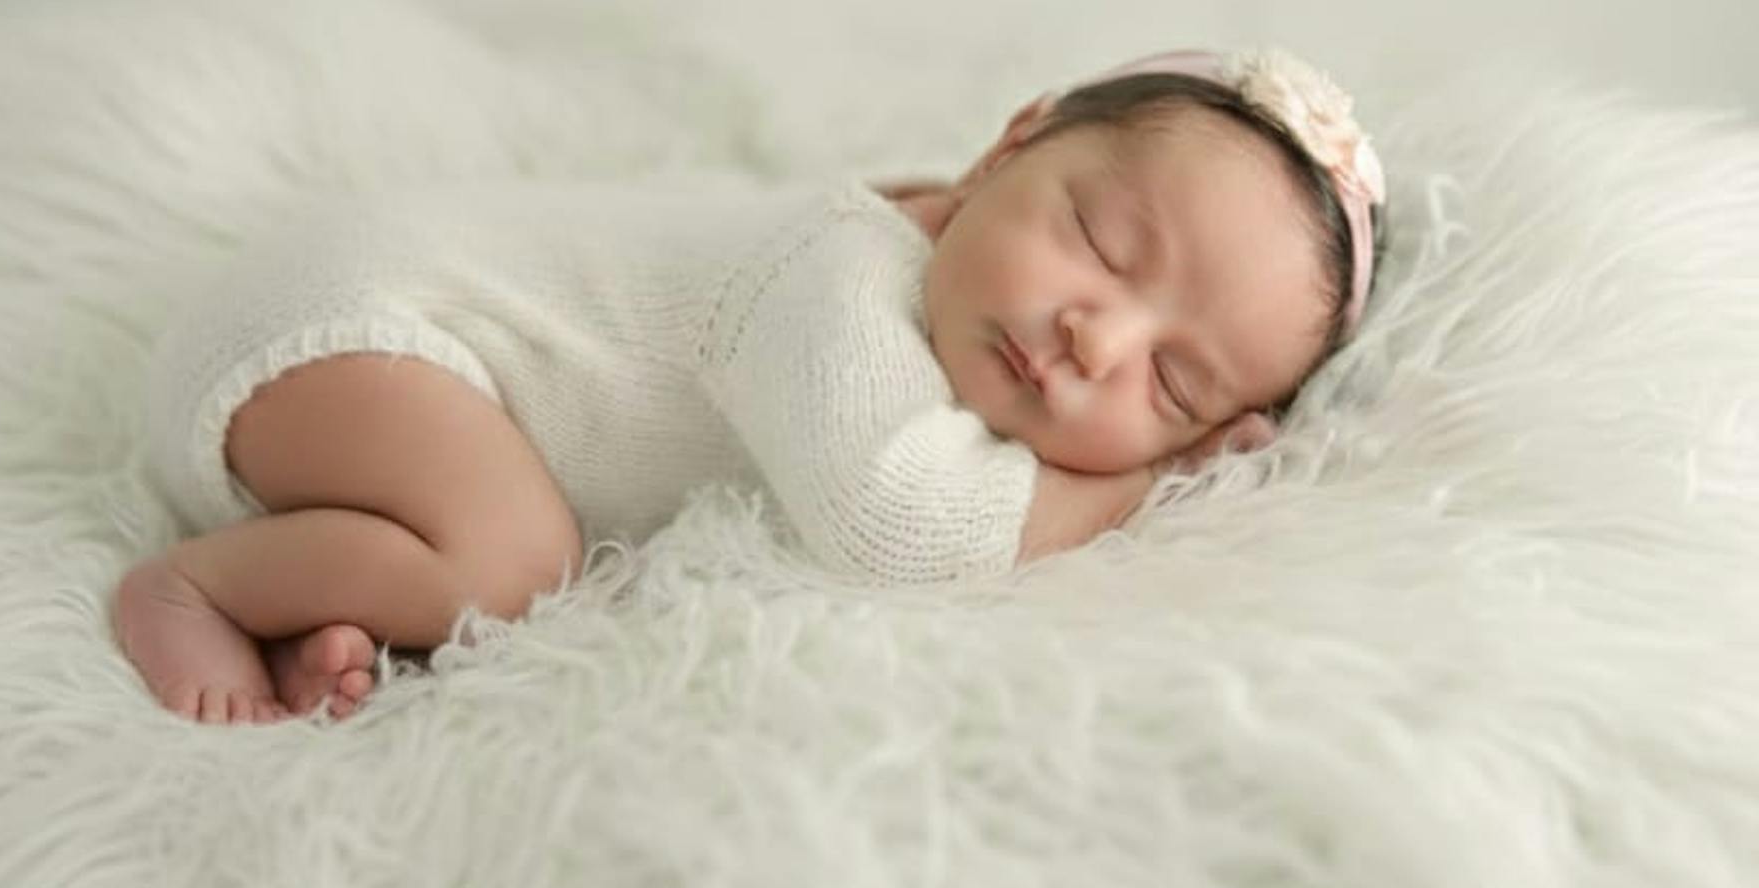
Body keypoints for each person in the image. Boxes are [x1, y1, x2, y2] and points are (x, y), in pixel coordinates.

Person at [113, 47, 1388, 724]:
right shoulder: (834, 276)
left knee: (482, 551)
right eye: (1101, 242)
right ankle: (198, 587)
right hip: (337, 325)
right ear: (1008, 146)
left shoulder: (939, 267)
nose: (1096, 340)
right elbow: (898, 522)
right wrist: (1152, 479)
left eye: (1172, 381)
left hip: (372, 376)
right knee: (513, 561)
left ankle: (334, 591)